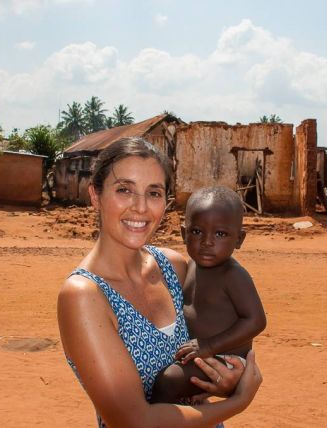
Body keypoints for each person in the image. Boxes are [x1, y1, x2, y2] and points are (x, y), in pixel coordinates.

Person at [57, 138, 262, 428]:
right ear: (95, 194)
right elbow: (134, 422)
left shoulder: (174, 267)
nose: (140, 207)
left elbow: (224, 334)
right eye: (124, 190)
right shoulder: (84, 296)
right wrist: (236, 403)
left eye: (153, 193)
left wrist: (226, 377)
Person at [151, 186, 267, 403]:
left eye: (220, 234)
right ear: (184, 234)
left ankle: (153, 420)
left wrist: (209, 345)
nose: (207, 241)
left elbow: (256, 321)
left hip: (226, 359)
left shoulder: (233, 275)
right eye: (197, 232)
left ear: (240, 239)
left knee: (168, 381)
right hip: (202, 352)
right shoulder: (191, 265)